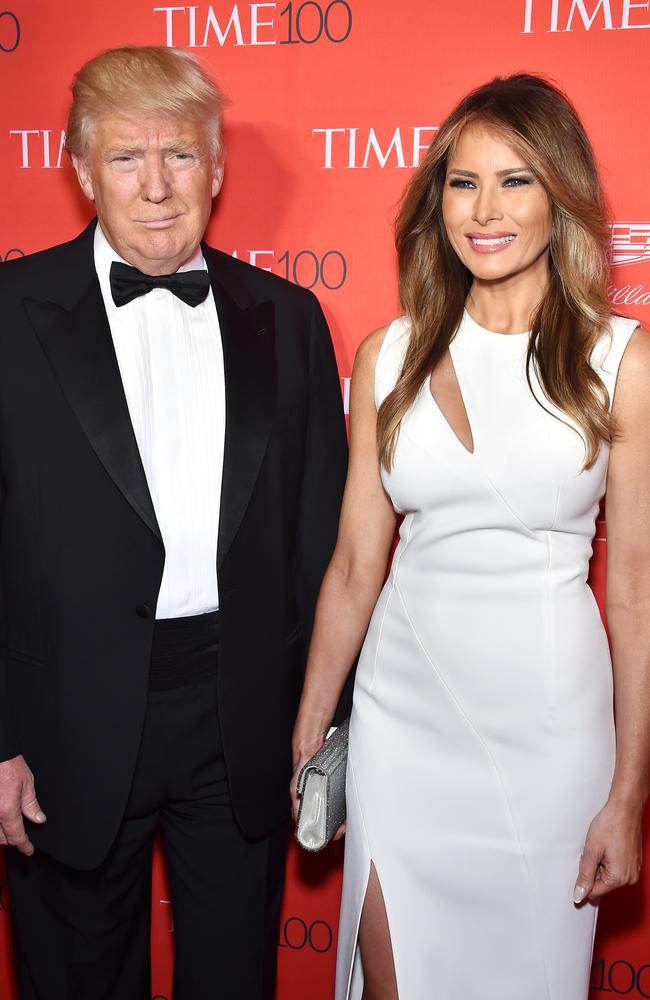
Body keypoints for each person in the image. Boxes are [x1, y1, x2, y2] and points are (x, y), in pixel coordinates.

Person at [291, 73, 650, 1000]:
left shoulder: (624, 359)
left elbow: (637, 593)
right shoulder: (388, 354)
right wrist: (308, 729)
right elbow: (353, 566)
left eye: (515, 181)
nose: (484, 210)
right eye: (462, 182)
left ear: (560, 195)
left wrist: (628, 792)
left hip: (551, 735)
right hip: (402, 725)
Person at [0, 45, 347, 1000]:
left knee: (235, 979)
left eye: (181, 156)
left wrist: (323, 723)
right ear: (79, 169)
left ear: (217, 168)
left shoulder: (289, 318)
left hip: (242, 720)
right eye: (125, 158)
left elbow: (326, 542)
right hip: (59, 727)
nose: (156, 186)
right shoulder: (6, 319)